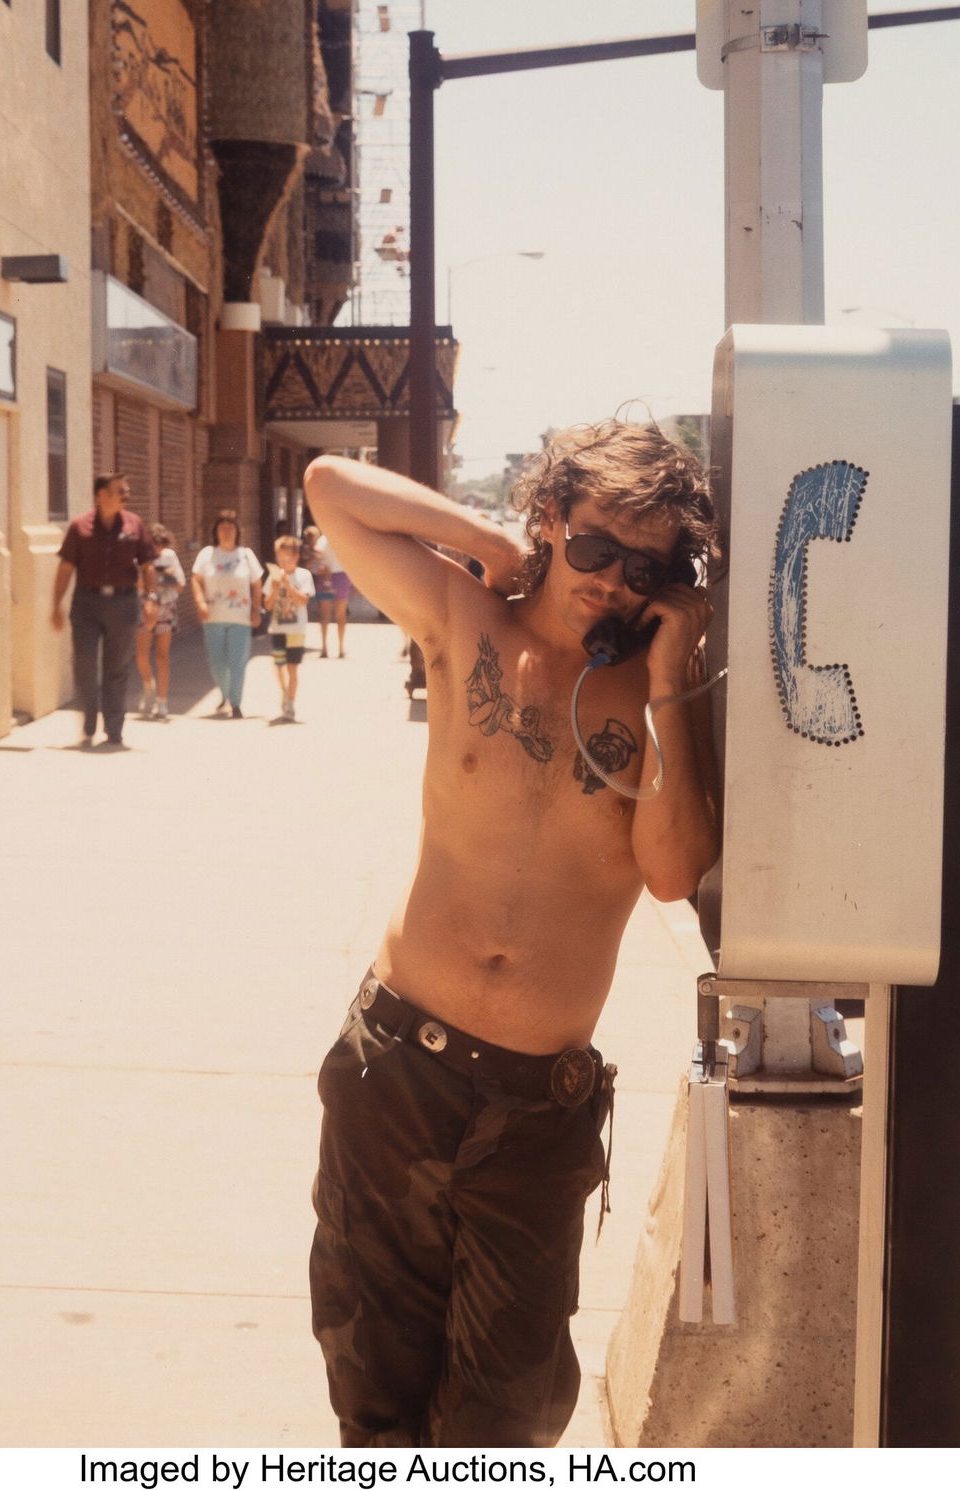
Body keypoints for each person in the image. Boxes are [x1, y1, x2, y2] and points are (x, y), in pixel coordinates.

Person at [302, 420, 719, 1447]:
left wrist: (669, 679)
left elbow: (672, 873)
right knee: (374, 1387)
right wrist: (488, 545)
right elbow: (329, 485)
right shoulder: (463, 620)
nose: (611, 582)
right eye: (594, 546)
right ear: (549, 519)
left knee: (506, 1413)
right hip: (396, 1068)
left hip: (536, 1108)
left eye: (643, 567)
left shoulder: (656, 696)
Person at [51, 475, 158, 749]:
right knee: (84, 664)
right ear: (102, 495)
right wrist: (56, 604)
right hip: (86, 603)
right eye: (120, 491)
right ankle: (89, 718)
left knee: (116, 667)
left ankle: (114, 728)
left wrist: (151, 598)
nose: (126, 495)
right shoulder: (79, 526)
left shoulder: (134, 524)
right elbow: (66, 568)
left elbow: (147, 565)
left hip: (123, 603)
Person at [190, 510, 264, 718]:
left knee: (237, 662)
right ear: (216, 531)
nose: (226, 532)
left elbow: (256, 584)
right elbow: (196, 579)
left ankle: (236, 703)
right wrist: (200, 602)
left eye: (230, 528)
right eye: (222, 528)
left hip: (241, 618)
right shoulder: (207, 554)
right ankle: (225, 692)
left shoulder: (245, 555)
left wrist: (255, 610)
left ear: (237, 531)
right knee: (217, 662)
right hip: (213, 617)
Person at [135, 522, 185, 720]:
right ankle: (148, 683)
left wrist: (159, 577)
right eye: (153, 544)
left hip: (166, 607)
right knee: (141, 655)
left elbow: (180, 584)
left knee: (162, 656)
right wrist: (155, 577)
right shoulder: (138, 557)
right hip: (144, 607)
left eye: (160, 544)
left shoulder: (169, 556)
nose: (157, 549)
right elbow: (135, 582)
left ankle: (162, 701)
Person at [264, 534, 316, 723]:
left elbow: (303, 601)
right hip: (278, 629)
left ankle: (291, 704)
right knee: (279, 666)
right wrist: (275, 589)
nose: (282, 563)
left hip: (296, 629)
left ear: (295, 557)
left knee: (292, 667)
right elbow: (267, 605)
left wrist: (288, 586)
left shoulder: (304, 575)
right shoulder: (273, 576)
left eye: (286, 558)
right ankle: (285, 692)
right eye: (279, 559)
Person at [302, 522, 337, 655]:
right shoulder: (308, 548)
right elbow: (309, 560)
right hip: (315, 572)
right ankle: (327, 583)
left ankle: (327, 583)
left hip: (317, 574)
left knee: (325, 569)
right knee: (325, 569)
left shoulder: (312, 547)